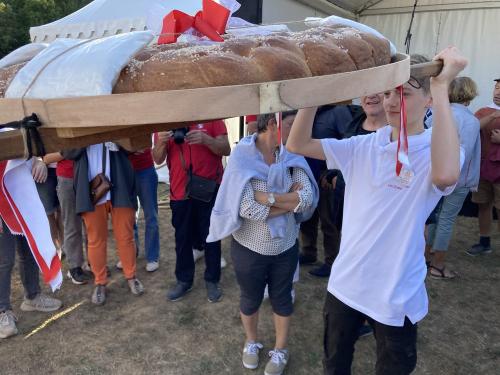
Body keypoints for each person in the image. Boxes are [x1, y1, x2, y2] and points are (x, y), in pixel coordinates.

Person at [287, 47, 467, 374]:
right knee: (334, 365)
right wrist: (312, 93)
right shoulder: (364, 145)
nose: (392, 102)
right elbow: (296, 144)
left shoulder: (439, 147)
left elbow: (445, 176)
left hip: (395, 291)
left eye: (405, 93)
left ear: (427, 100)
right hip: (346, 284)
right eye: (387, 93)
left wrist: (441, 88)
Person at [208, 111, 318, 375]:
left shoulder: (291, 153)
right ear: (273, 123)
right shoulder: (242, 155)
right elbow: (246, 208)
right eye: (293, 125)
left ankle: (280, 349)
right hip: (249, 248)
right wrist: (286, 200)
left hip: (285, 247)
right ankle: (251, 341)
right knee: (250, 298)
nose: (299, 131)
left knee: (282, 299)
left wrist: (266, 198)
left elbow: (308, 197)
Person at [153, 121, 231, 303]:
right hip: (180, 192)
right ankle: (184, 280)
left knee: (211, 236)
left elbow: (226, 149)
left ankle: (212, 280)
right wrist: (161, 142)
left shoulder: (213, 118)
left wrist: (206, 140)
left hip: (208, 189)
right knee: (182, 238)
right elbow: (157, 159)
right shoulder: (165, 123)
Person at [63, 142, 144, 305]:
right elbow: (67, 152)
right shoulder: (77, 123)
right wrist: (86, 138)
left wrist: (116, 139)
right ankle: (100, 282)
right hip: (92, 189)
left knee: (125, 236)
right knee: (95, 240)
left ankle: (131, 276)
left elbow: (133, 146)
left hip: (120, 186)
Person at [0, 158, 62, 339]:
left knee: (28, 248)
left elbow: (29, 144)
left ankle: (32, 296)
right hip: (2, 201)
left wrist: (39, 160)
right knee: (4, 258)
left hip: (20, 190)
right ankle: (2, 311)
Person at [425, 77, 481, 278]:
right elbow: (465, 155)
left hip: (434, 174)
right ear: (470, 94)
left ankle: (425, 258)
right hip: (458, 178)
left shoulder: (437, 113)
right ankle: (437, 265)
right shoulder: (471, 121)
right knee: (446, 219)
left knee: (431, 216)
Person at [298, 104, 360, 277]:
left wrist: (337, 174)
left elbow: (351, 142)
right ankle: (308, 252)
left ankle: (332, 262)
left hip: (326, 178)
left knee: (329, 222)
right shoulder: (304, 111)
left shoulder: (338, 112)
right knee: (307, 217)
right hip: (306, 175)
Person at [41, 153, 91, 285]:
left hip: (89, 174)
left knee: (91, 223)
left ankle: (93, 263)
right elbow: (46, 158)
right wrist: (70, 150)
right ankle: (75, 267)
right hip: (67, 177)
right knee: (71, 223)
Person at [466, 77, 500, 256]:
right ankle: (484, 242)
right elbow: (470, 131)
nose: (498, 92)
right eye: (496, 87)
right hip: (483, 169)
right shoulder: (482, 112)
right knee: (483, 204)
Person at [128, 148, 161, 272]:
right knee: (127, 216)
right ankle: (131, 252)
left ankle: (152, 256)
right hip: (125, 170)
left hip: (145, 169)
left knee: (151, 214)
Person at [34, 157, 64, 255]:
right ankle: (55, 249)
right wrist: (39, 160)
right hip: (41, 167)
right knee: (48, 213)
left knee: (63, 211)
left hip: (64, 163)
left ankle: (65, 248)